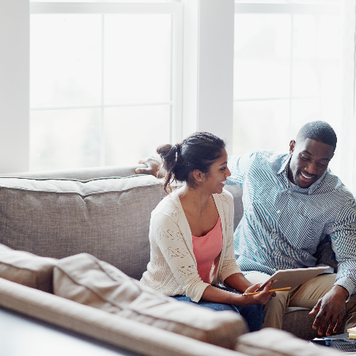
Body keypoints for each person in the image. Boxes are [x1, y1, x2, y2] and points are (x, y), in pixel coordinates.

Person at [136, 121, 356, 337]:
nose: (311, 169)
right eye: (305, 158)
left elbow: (350, 259)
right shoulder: (258, 165)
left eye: (321, 163)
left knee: (351, 292)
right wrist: (162, 167)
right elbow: (204, 172)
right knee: (271, 294)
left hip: (301, 277)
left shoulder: (339, 200)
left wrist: (341, 290)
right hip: (254, 269)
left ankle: (345, 349)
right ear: (292, 147)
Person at [140, 132, 275, 332]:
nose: (228, 173)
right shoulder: (167, 216)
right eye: (222, 168)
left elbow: (227, 265)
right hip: (167, 295)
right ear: (199, 175)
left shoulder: (224, 201)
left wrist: (250, 291)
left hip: (201, 290)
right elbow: (192, 285)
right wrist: (241, 299)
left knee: (254, 309)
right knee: (226, 315)